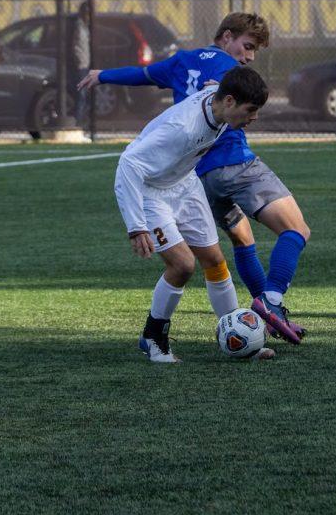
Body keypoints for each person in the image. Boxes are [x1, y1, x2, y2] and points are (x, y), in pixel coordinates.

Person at [79, 13, 310, 345]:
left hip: (198, 177)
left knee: (238, 243)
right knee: (296, 229)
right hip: (233, 166)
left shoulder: (182, 61)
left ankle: (257, 321)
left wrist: (103, 75)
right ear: (226, 36)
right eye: (246, 47)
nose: (248, 57)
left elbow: (143, 74)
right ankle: (270, 302)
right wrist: (135, 225)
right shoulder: (227, 74)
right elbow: (221, 88)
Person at [115, 66, 271, 363]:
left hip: (184, 184)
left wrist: (213, 86)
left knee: (214, 261)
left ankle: (238, 338)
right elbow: (129, 165)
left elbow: (212, 86)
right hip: (150, 191)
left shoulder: (219, 101)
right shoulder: (183, 128)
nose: (254, 118)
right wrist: (137, 227)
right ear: (229, 102)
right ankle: (153, 337)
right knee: (183, 265)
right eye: (250, 110)